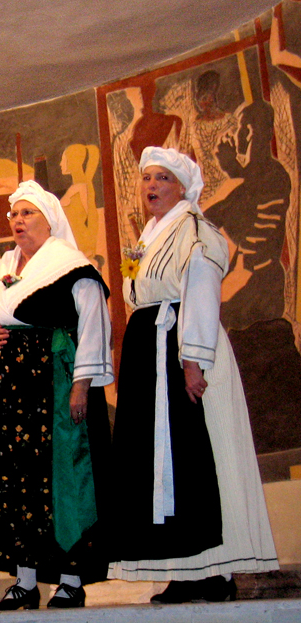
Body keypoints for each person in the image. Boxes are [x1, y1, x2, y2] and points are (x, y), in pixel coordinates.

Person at [107, 147, 278, 602]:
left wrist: (192, 360)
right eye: (147, 179)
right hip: (151, 350)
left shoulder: (196, 231)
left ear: (182, 188)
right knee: (159, 460)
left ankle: (214, 568)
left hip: (179, 347)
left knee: (192, 452)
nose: (152, 187)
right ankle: (182, 566)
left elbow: (200, 292)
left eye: (162, 178)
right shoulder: (148, 235)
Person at [0, 180, 113, 610]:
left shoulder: (71, 267)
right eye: (14, 214)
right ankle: (24, 580)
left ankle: (70, 579)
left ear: (50, 221)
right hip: (4, 392)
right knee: (13, 482)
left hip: (52, 384)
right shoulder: (0, 270)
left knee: (60, 478)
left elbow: (94, 327)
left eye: (28, 214)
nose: (18, 221)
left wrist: (82, 384)